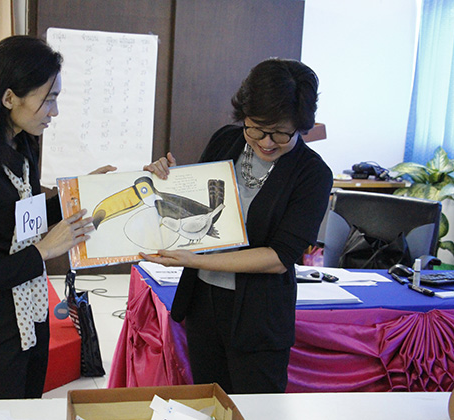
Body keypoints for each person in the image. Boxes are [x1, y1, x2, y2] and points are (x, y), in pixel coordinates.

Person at [141, 58, 333, 394]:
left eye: (281, 133)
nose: (267, 142)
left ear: (302, 126)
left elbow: (278, 258)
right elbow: (199, 204)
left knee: (254, 410)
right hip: (203, 303)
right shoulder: (226, 140)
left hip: (259, 318)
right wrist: (167, 179)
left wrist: (195, 260)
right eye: (256, 128)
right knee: (209, 402)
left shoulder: (313, 174)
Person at [0, 36, 114, 399]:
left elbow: (22, 219)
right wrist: (43, 252)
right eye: (48, 99)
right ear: (9, 98)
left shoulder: (23, 144)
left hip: (34, 313)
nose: (54, 112)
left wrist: (80, 193)